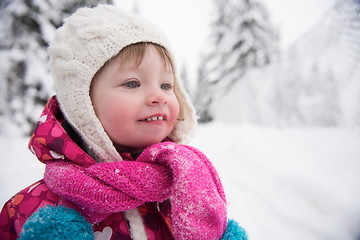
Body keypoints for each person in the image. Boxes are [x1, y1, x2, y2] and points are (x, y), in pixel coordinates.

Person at [0, 4, 247, 240]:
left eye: (166, 85)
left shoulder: (184, 189)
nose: (159, 96)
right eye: (132, 83)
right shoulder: (31, 209)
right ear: (83, 106)